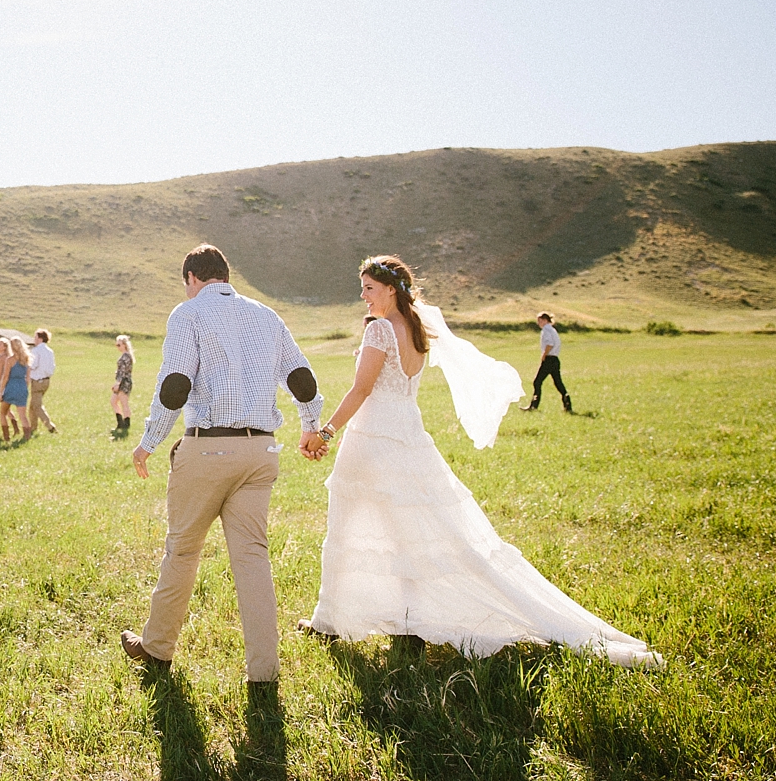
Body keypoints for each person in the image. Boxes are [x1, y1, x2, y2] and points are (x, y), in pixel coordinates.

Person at [300, 256, 661, 668]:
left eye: (368, 288)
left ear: (390, 290)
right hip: (408, 433)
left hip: (374, 437)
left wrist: (324, 432)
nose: (362, 297)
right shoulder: (417, 331)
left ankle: (331, 622)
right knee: (410, 533)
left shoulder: (381, 330)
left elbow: (361, 389)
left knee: (349, 524)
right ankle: (403, 624)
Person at [121, 244, 326, 684]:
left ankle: (156, 650)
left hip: (208, 450)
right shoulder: (267, 316)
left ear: (193, 278)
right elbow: (301, 378)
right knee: (253, 559)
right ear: (225, 275)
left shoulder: (188, 313)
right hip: (261, 453)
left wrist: (149, 442)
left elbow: (175, 385)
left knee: (183, 550)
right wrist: (312, 425)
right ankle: (264, 673)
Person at [526, 312, 572, 413]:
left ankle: (534, 406)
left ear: (545, 320)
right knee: (558, 383)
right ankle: (567, 402)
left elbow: (550, 344)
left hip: (549, 359)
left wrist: (544, 355)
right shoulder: (552, 329)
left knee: (537, 382)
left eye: (540, 321)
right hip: (555, 359)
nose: (539, 323)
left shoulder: (546, 330)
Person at [21, 328, 57, 438]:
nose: (34, 339)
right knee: (32, 406)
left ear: (40, 338)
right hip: (46, 381)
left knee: (37, 406)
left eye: (35, 337)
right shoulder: (50, 351)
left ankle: (50, 426)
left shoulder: (36, 351)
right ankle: (33, 427)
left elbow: (33, 365)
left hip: (37, 381)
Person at [0, 336, 30, 443]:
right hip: (22, 386)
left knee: (3, 412)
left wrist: (0, 391)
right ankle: (27, 436)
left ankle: (6, 436)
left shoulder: (10, 360)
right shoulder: (27, 359)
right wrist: (24, 387)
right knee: (23, 415)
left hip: (11, 386)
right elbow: (28, 378)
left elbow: (5, 376)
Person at [110, 334, 135, 435]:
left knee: (124, 403)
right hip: (122, 381)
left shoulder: (126, 356)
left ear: (124, 345)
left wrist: (118, 383)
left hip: (124, 382)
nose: (117, 347)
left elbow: (123, 372)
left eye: (119, 345)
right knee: (113, 401)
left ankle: (126, 423)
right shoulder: (125, 355)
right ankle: (120, 423)